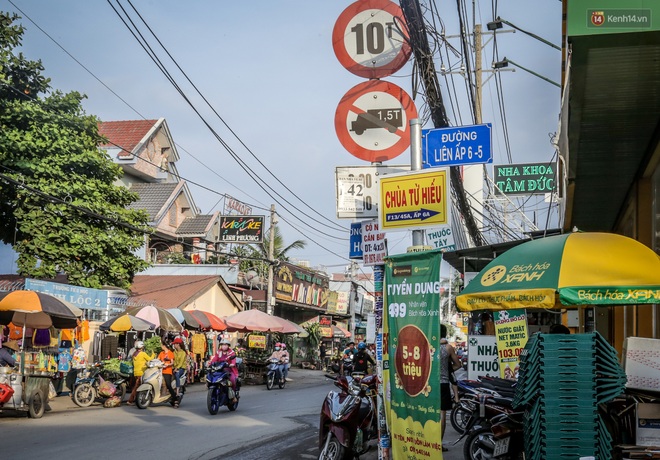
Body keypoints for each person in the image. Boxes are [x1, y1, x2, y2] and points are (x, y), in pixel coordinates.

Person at [440, 324, 461, 452]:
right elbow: (458, 365)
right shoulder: (448, 348)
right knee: (442, 414)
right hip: (443, 383)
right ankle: (439, 444)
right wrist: (447, 371)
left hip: (428, 385)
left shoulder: (427, 346)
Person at [127, 341, 154, 405]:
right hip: (141, 373)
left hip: (135, 372)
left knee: (136, 386)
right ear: (141, 347)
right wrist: (153, 354)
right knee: (136, 387)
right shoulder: (142, 354)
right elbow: (150, 359)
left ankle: (136, 399)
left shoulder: (134, 354)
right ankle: (130, 400)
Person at [158, 341, 177, 406]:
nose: (161, 347)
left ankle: (175, 399)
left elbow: (172, 362)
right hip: (160, 371)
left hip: (167, 371)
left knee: (168, 385)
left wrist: (168, 364)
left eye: (161, 345)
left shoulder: (170, 353)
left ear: (164, 346)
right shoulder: (161, 353)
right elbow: (158, 360)